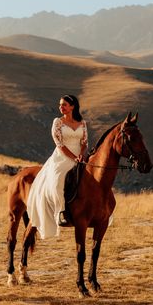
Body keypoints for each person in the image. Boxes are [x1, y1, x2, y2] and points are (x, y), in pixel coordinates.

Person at [26, 94, 88, 239]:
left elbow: (84, 142)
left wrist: (81, 155)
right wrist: (73, 157)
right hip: (62, 157)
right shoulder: (57, 122)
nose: (61, 107)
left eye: (64, 105)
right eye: (60, 105)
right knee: (59, 179)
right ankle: (61, 212)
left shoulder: (82, 123)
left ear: (72, 106)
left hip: (80, 156)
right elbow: (59, 144)